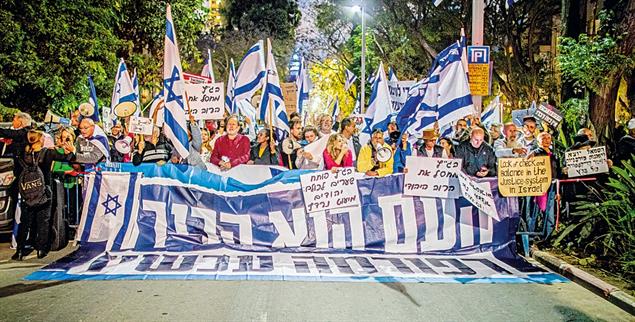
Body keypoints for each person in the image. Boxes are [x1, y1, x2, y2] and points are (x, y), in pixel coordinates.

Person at [13, 130, 75, 260]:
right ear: (40, 140)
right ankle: (41, 249)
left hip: (28, 192)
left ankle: (20, 250)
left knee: (25, 222)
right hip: (44, 190)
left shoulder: (22, 154)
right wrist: (71, 150)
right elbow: (67, 158)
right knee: (44, 221)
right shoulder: (47, 153)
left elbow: (16, 172)